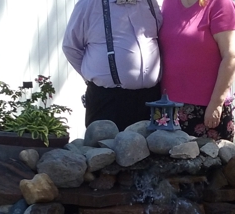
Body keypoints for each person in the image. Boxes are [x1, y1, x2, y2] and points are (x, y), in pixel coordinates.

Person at [62, 0, 163, 131]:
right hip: (108, 100)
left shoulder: (150, 3)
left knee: (153, 150)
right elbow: (71, 47)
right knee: (105, 150)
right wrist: (94, 74)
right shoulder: (88, 4)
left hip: (151, 99)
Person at [159, 0, 235, 141]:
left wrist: (216, 104)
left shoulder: (220, 4)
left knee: (211, 162)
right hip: (169, 108)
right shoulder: (168, 3)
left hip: (206, 110)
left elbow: (232, 55)